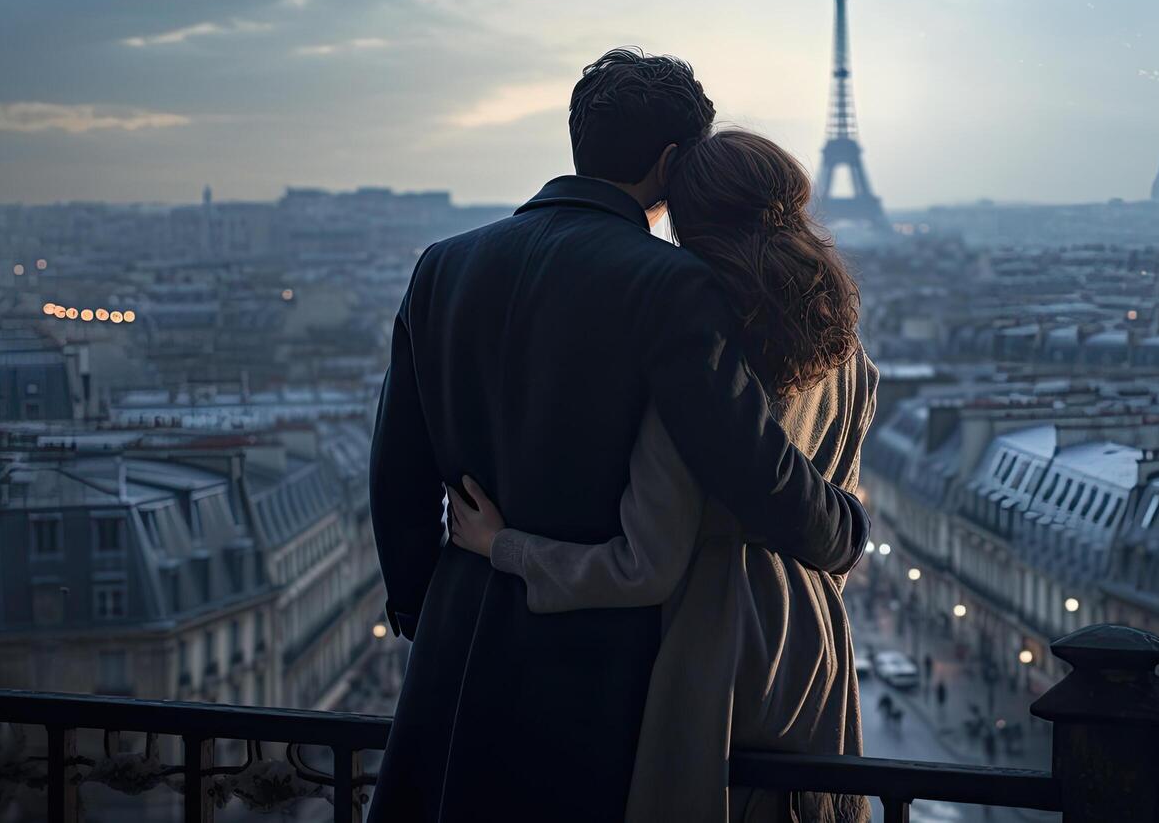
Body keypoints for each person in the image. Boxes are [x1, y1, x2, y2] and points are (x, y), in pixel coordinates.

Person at [367, 51, 870, 822]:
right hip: (599, 656)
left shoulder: (441, 267)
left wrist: (421, 607)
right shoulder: (671, 285)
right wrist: (843, 535)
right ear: (670, 164)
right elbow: (752, 467)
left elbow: (397, 472)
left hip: (457, 639)